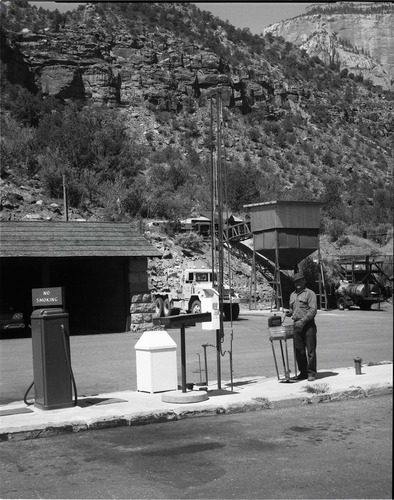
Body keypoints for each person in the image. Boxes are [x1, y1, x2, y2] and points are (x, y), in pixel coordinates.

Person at [286, 272, 317, 381]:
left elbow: (313, 310)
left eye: (299, 281)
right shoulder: (292, 295)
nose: (297, 283)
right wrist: (289, 312)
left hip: (308, 325)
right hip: (296, 325)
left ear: (304, 281)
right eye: (295, 282)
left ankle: (311, 373)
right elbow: (292, 309)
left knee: (310, 351)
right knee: (299, 351)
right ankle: (303, 373)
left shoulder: (310, 293)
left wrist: (303, 321)